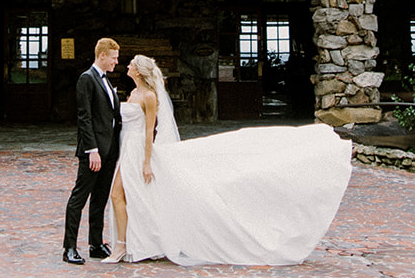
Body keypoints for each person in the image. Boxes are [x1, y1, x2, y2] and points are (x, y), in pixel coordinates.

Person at [101, 54, 352, 266]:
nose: (128, 65)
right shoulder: (133, 92)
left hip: (138, 151)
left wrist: (146, 161)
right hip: (127, 148)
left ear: (140, 71)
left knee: (120, 194)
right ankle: (134, 242)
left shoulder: (149, 97)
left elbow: (148, 131)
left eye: (132, 63)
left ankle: (124, 246)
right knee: (129, 196)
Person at [62, 37, 121, 265]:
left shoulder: (106, 80)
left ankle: (96, 244)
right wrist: (92, 150)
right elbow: (84, 117)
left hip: (110, 150)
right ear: (102, 55)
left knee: (100, 198)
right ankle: (69, 248)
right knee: (79, 197)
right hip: (94, 151)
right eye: (114, 58)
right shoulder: (86, 79)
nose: (116, 63)